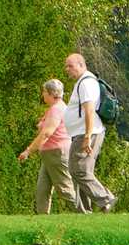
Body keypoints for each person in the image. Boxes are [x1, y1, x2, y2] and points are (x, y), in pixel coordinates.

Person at [17, 78, 85, 214]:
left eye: (44, 92)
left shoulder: (56, 110)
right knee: (42, 190)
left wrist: (28, 151)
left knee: (64, 190)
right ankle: (42, 221)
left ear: (50, 93)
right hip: (49, 154)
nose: (42, 95)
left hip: (56, 153)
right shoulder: (59, 108)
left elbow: (46, 133)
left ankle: (85, 215)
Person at [61, 52, 117, 213]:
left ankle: (105, 199)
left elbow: (89, 110)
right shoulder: (83, 82)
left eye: (70, 66)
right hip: (84, 133)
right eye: (66, 66)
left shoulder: (86, 83)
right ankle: (84, 211)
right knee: (78, 170)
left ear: (81, 65)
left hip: (88, 133)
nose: (67, 69)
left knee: (78, 170)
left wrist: (86, 136)